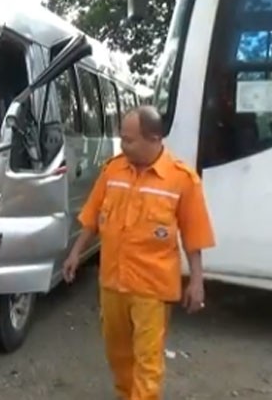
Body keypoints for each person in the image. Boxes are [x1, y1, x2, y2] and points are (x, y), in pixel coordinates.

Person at [62, 105, 216, 400]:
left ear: (154, 138)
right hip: (112, 283)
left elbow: (194, 235)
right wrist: (75, 254)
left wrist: (196, 282)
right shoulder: (113, 170)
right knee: (118, 355)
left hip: (151, 289)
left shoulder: (182, 179)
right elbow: (93, 216)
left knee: (148, 362)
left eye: (129, 140)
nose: (122, 145)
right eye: (122, 137)